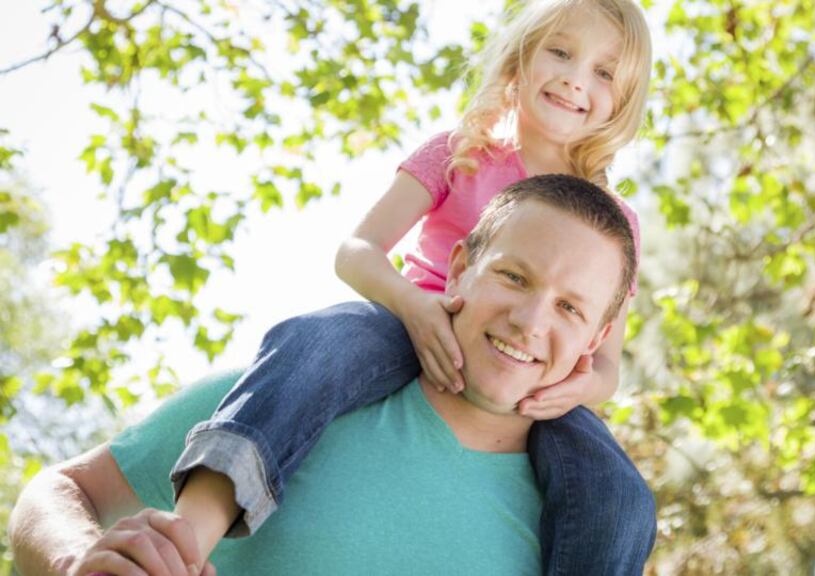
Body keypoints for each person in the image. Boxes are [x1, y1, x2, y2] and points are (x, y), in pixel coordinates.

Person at [171, 0, 654, 574]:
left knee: (622, 498)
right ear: (521, 58)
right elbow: (356, 252)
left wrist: (570, 395)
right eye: (561, 52)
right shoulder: (462, 153)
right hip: (408, 325)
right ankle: (185, 535)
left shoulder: (615, 224)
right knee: (315, 344)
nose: (577, 78)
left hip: (529, 381)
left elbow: (606, 366)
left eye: (604, 72)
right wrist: (412, 306)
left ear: (623, 100)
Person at [10, 174, 648, 576]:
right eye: (514, 276)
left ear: (596, 340)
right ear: (457, 271)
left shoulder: (585, 517)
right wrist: (74, 562)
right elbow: (61, 489)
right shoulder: (285, 397)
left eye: (570, 307)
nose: (532, 320)